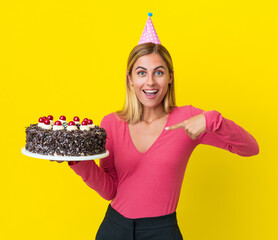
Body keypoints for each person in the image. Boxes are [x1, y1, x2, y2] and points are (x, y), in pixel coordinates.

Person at [53, 14, 259, 240]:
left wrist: (212, 120)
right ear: (130, 79)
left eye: (158, 72)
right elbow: (109, 190)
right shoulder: (112, 123)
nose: (150, 82)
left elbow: (250, 148)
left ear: (170, 77)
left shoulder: (189, 119)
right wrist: (77, 161)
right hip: (114, 228)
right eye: (141, 72)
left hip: (162, 231)